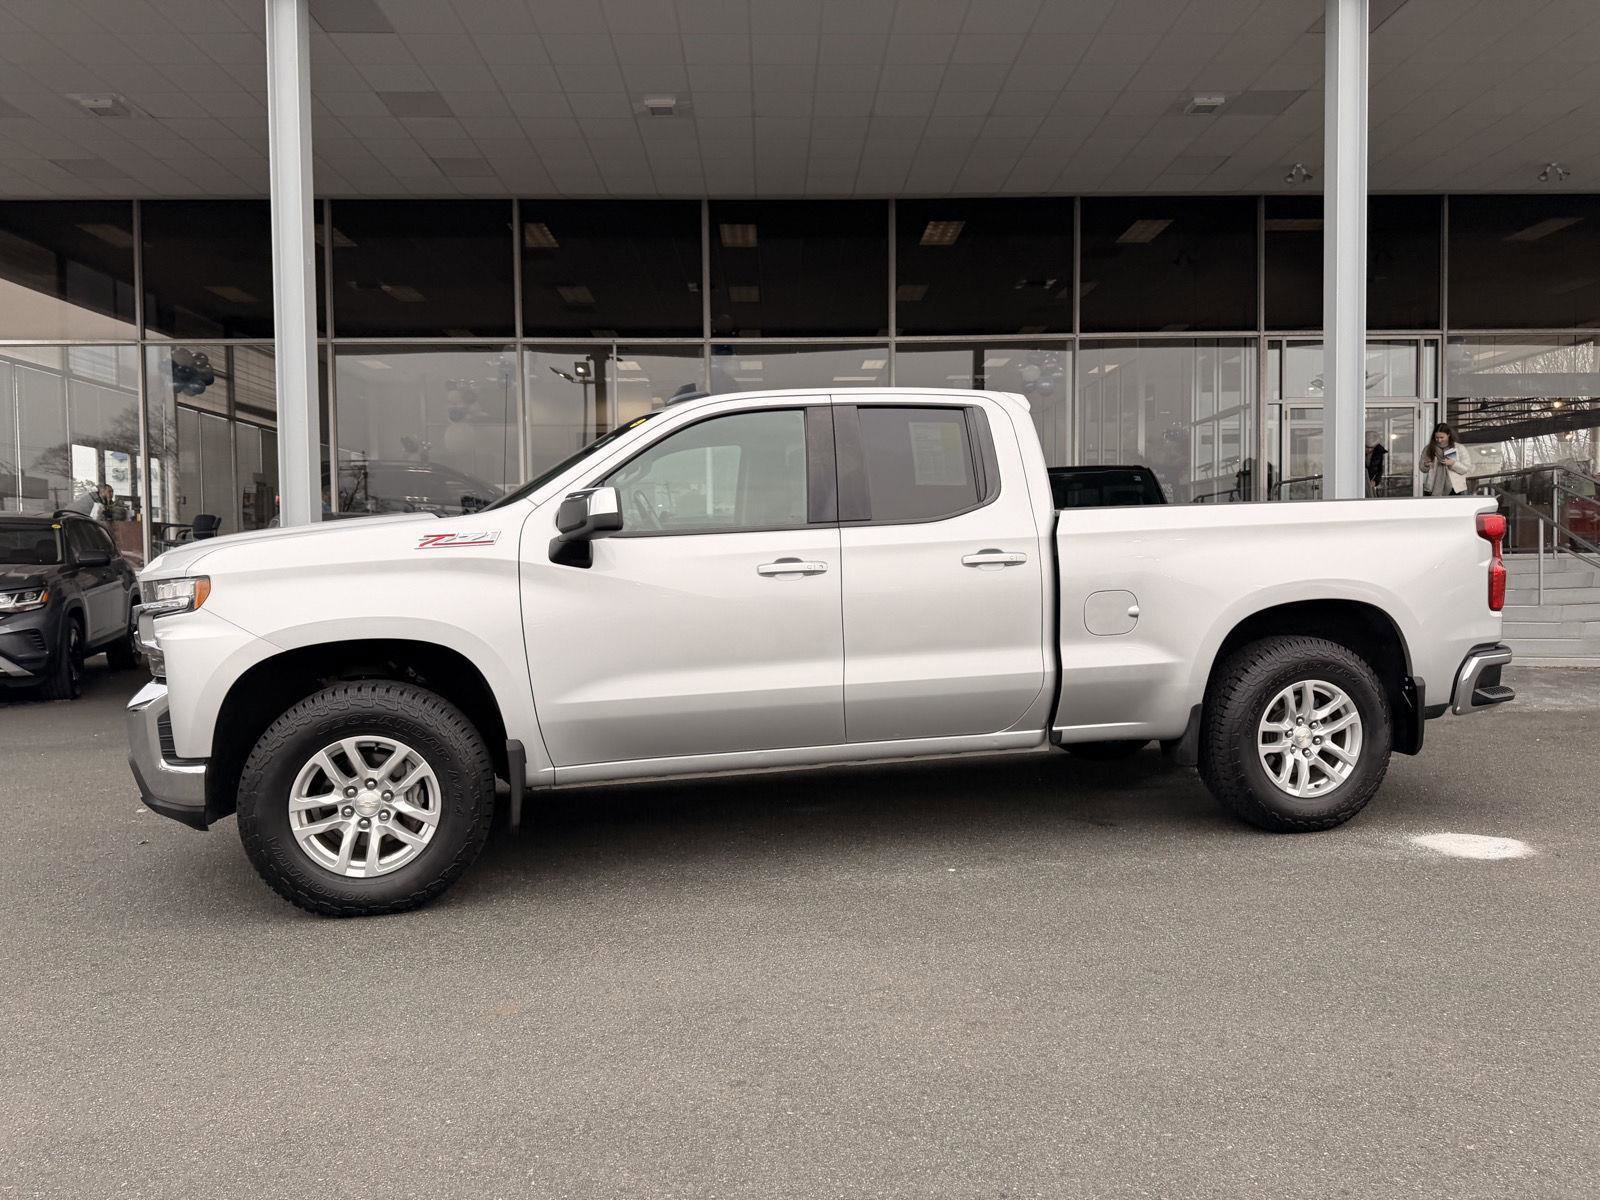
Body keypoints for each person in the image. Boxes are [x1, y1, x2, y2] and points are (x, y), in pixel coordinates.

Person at [1419, 422, 1471, 496]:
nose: (1439, 440)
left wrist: (1453, 464)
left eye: (1442, 437)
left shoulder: (1459, 448)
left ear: (1448, 435)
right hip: (1431, 489)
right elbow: (1422, 469)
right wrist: (1426, 465)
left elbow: (1465, 469)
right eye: (1436, 437)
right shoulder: (1428, 449)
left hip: (1455, 489)